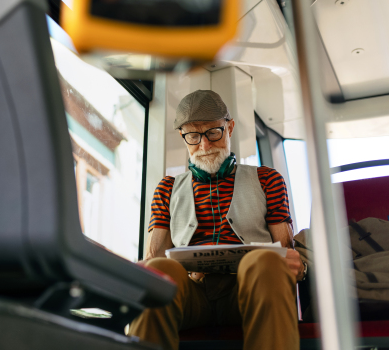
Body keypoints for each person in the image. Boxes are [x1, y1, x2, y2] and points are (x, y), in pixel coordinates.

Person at [128, 90, 306, 350]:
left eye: (213, 132)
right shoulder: (167, 188)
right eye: (193, 136)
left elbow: (285, 251)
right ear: (183, 137)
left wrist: (296, 264)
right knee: (159, 271)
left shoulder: (268, 179)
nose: (205, 146)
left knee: (267, 260)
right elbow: (153, 256)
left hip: (249, 289)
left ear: (230, 127)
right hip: (192, 293)